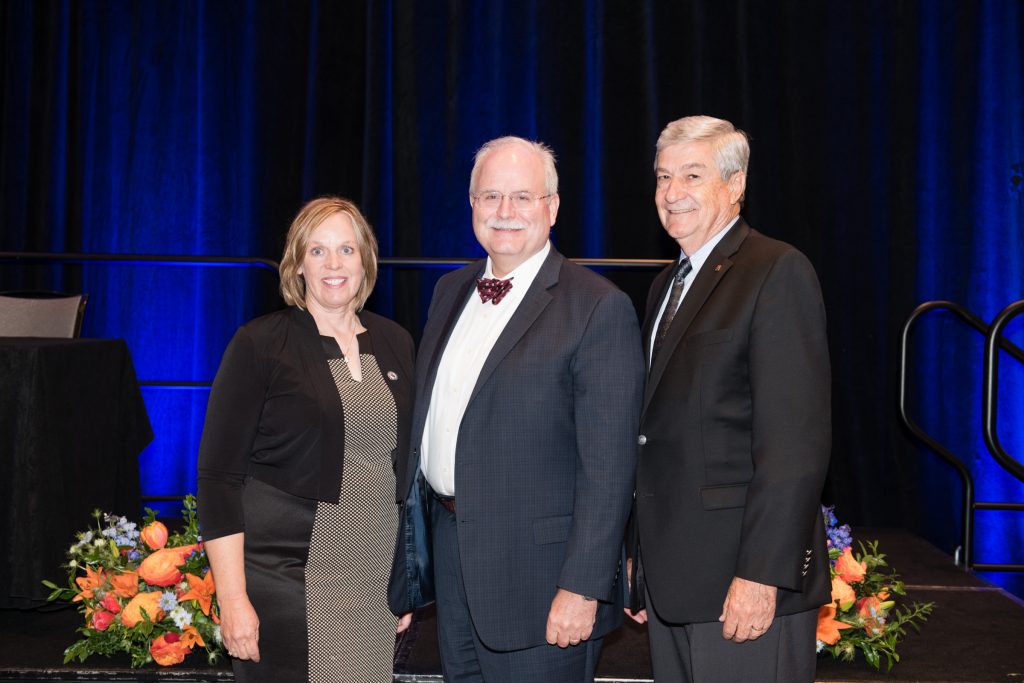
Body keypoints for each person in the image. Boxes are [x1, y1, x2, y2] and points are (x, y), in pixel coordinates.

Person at [395, 136, 644, 682]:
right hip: (454, 562)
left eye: (523, 197)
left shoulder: (598, 308)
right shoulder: (449, 290)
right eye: (490, 197)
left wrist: (582, 587)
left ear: (552, 208)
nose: (505, 212)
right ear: (472, 206)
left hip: (543, 582)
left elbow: (609, 469)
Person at [626, 115, 831, 683]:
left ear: (735, 184)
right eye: (664, 177)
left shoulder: (775, 270)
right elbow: (656, 434)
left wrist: (762, 576)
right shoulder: (666, 284)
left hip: (741, 584)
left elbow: (795, 444)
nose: (672, 194)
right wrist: (643, 563)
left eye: (692, 175)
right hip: (677, 586)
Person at [197, 196, 415, 682]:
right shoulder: (260, 343)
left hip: (374, 579)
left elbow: (405, 475)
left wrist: (406, 581)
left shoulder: (396, 341)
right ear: (296, 265)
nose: (333, 264)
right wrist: (233, 600)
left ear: (366, 261)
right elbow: (218, 478)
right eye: (317, 251)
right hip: (287, 576)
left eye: (346, 250)